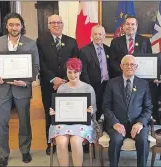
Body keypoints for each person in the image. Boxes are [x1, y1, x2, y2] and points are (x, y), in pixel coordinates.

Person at [0, 13, 40, 167]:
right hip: (1, 88)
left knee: (24, 122)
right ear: (6, 26)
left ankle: (25, 151)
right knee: (1, 123)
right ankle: (3, 154)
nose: (14, 28)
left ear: (21, 26)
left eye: (17, 24)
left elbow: (36, 67)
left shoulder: (30, 43)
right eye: (11, 25)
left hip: (22, 89)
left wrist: (27, 81)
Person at [36, 14, 79, 155]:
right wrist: (53, 79)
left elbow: (75, 63)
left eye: (59, 22)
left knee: (67, 114)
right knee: (50, 114)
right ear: (48, 25)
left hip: (68, 85)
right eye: (53, 22)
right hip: (49, 85)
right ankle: (50, 143)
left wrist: (65, 81)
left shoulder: (71, 42)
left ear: (63, 24)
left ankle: (66, 142)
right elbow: (40, 63)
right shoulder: (40, 41)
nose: (56, 25)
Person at [103, 55, 152, 167]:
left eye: (132, 64)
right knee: (115, 140)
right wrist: (115, 123)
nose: (129, 67)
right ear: (121, 66)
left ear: (136, 67)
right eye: (126, 64)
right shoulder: (112, 83)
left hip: (137, 123)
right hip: (118, 123)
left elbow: (148, 108)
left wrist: (140, 123)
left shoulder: (143, 84)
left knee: (143, 140)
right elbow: (106, 107)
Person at [48, 58, 97, 166]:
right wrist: (54, 112)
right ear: (66, 72)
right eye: (69, 72)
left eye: (75, 72)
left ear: (80, 72)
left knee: (75, 142)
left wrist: (91, 110)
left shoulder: (88, 88)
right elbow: (59, 108)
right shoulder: (62, 88)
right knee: (61, 142)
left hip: (82, 123)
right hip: (64, 122)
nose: (72, 75)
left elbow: (94, 109)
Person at [79, 25, 110, 121]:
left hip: (107, 85)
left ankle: (104, 129)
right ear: (91, 35)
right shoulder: (84, 51)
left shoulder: (108, 49)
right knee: (94, 110)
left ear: (104, 36)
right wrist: (89, 87)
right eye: (95, 34)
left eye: (100, 34)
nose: (98, 36)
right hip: (92, 86)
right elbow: (83, 72)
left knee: (106, 108)